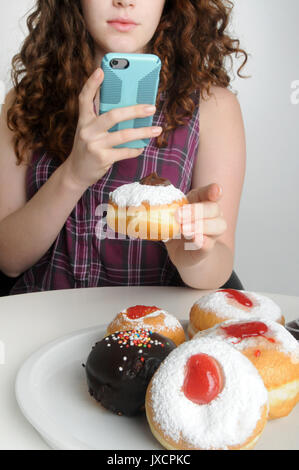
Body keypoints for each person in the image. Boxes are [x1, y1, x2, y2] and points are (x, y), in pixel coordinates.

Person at [0, 0, 247, 295]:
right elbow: (8, 259)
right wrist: (73, 175)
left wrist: (195, 255)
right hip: (42, 319)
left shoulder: (213, 107)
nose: (124, 1)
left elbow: (218, 266)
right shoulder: (26, 101)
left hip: (156, 322)